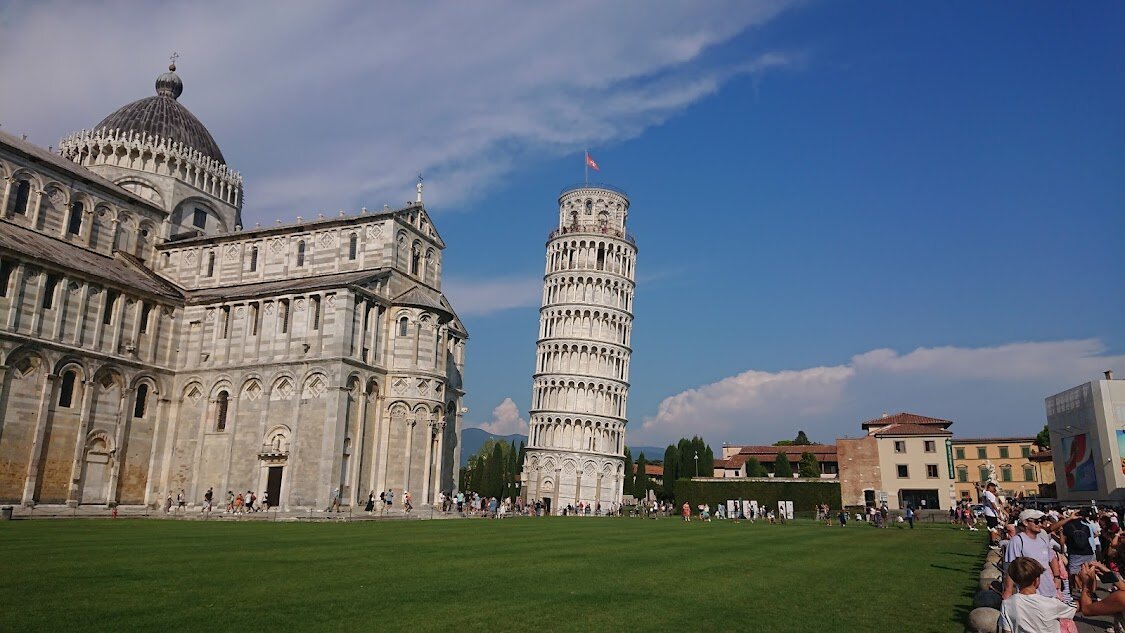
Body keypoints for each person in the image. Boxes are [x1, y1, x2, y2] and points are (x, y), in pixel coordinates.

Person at [999, 556, 1077, 633]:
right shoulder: (1051, 603)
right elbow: (1079, 607)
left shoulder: (1007, 604)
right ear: (1037, 580)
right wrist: (1086, 584)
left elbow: (1006, 631)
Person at [1002, 510, 1059, 601]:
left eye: (1041, 521)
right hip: (1030, 594)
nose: (1040, 524)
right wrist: (1008, 590)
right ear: (1025, 523)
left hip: (1049, 590)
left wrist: (1057, 578)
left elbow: (1052, 558)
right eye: (1036, 521)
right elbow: (1010, 567)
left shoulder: (1043, 539)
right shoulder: (1017, 541)